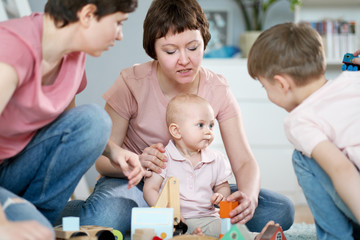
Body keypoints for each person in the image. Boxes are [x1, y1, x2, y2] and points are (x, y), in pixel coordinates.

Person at [61, 0, 294, 234]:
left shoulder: (217, 88)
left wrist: (249, 199)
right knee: (108, 216)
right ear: (153, 50)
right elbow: (101, 159)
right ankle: (59, 210)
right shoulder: (132, 83)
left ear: (204, 41)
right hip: (133, 185)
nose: (184, 59)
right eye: (171, 51)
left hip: (195, 191)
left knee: (280, 209)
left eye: (193, 47)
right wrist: (138, 162)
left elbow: (244, 161)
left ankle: (164, 219)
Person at [0, 0, 142, 239]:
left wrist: (114, 151)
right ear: (87, 15)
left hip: (16, 169)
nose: (119, 35)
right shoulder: (12, 50)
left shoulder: (73, 54)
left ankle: (32, 216)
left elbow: (69, 122)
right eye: (118, 23)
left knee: (95, 120)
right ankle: (22, 217)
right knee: (33, 232)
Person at [247, 22, 360, 239]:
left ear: (282, 84)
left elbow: (342, 170)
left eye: (265, 87)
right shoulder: (354, 79)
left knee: (302, 157)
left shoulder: (300, 120)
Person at [143, 93, 232, 237]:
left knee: (226, 230)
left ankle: (257, 237)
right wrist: (167, 213)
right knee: (160, 233)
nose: (208, 131)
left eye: (211, 125)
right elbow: (150, 188)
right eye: (201, 125)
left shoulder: (216, 159)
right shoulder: (163, 157)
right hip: (175, 220)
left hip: (207, 218)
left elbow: (223, 186)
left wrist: (221, 195)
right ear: (177, 131)